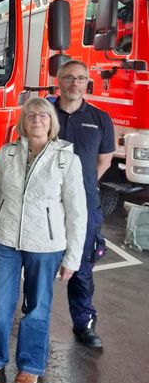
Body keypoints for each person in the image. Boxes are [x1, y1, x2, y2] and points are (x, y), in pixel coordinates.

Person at [0, 98, 87, 383]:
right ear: (22, 122)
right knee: (0, 304)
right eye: (30, 115)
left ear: (51, 122)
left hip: (46, 244)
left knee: (37, 307)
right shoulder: (7, 154)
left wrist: (72, 257)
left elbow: (78, 211)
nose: (36, 119)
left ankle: (29, 366)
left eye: (42, 115)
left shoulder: (67, 158)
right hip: (5, 240)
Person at [52, 59, 115, 348]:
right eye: (69, 78)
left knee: (82, 265)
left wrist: (81, 186)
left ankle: (84, 323)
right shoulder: (44, 114)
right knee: (40, 261)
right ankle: (33, 314)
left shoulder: (101, 119)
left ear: (86, 82)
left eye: (80, 78)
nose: (74, 83)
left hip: (86, 203)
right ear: (59, 81)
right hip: (48, 202)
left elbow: (104, 159)